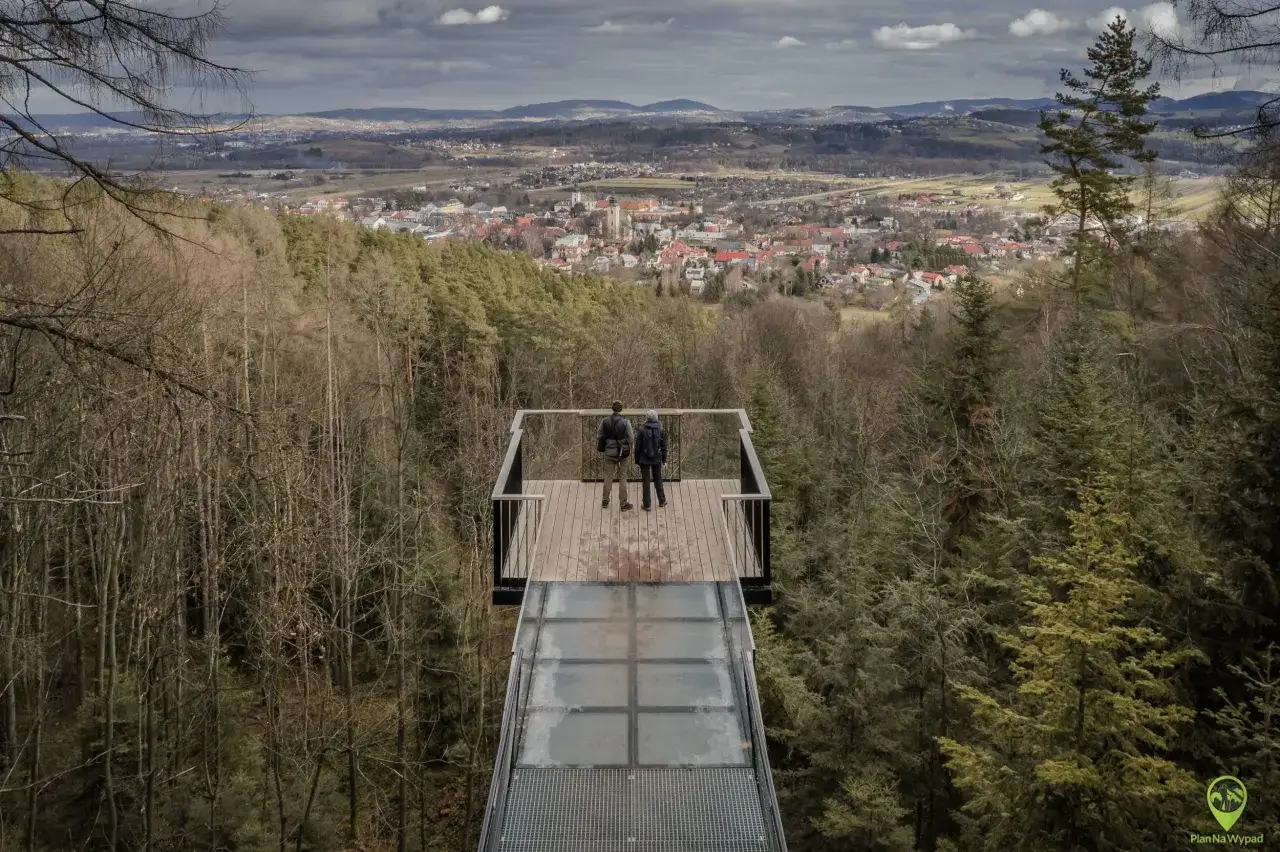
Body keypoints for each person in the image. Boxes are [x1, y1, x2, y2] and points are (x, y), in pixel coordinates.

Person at [596, 400, 634, 510]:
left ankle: (605, 501)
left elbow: (599, 435)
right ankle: (623, 504)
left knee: (608, 476)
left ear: (612, 409)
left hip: (609, 452)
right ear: (621, 409)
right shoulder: (625, 422)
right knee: (623, 477)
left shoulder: (605, 421)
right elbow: (631, 438)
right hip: (622, 452)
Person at [634, 409, 668, 511]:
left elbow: (638, 447)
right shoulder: (661, 429)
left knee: (646, 481)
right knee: (658, 479)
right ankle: (662, 500)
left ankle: (647, 504)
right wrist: (664, 460)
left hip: (644, 458)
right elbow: (664, 446)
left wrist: (637, 460)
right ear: (656, 418)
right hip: (657, 458)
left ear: (647, 418)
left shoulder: (642, 429)